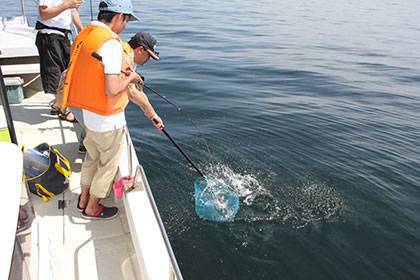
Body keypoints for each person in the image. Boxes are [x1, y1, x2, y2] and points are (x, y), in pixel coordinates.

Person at [61, 0, 164, 220]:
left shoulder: (87, 34)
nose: (125, 26)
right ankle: (92, 207)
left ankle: (83, 198)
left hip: (89, 114)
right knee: (108, 166)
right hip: (107, 119)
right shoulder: (112, 44)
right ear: (119, 17)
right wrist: (133, 79)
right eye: (126, 20)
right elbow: (113, 89)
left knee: (92, 158)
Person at [35, 0, 83, 121]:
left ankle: (58, 104)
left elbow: (73, 12)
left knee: (66, 71)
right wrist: (66, 5)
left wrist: (81, 30)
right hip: (49, 34)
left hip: (64, 35)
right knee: (55, 73)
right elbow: (44, 13)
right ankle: (64, 109)